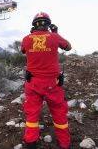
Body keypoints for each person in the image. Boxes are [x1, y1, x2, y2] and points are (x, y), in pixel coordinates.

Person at [20, 12, 72, 149]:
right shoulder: (54, 37)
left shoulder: (26, 38)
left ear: (34, 25)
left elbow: (23, 50)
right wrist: (56, 33)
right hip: (52, 85)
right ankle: (65, 144)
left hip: (33, 83)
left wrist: (31, 36)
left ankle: (31, 143)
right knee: (59, 113)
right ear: (48, 24)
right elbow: (68, 46)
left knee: (32, 114)